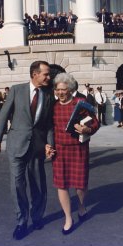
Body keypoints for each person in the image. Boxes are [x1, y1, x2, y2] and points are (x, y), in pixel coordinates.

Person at [0, 61, 55, 240]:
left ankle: (36, 217)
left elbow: (49, 125)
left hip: (37, 147)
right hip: (16, 146)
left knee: (38, 186)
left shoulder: (48, 95)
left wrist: (50, 144)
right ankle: (21, 222)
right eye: (46, 74)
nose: (48, 77)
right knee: (18, 186)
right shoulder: (17, 90)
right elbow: (4, 114)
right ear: (35, 74)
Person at [45, 73, 99, 235]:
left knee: (80, 184)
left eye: (63, 89)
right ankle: (68, 217)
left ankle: (81, 206)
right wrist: (47, 145)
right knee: (61, 185)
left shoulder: (80, 103)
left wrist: (87, 129)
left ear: (70, 89)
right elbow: (47, 128)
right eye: (57, 89)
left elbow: (96, 122)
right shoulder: (52, 106)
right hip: (59, 150)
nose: (60, 93)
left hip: (78, 149)